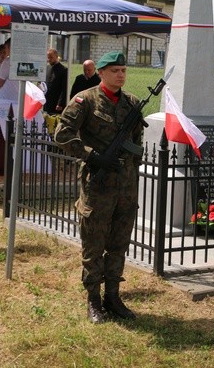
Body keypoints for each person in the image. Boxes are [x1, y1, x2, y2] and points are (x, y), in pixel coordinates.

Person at [54, 51, 142, 324]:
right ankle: (93, 299)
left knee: (118, 243)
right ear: (101, 73)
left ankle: (113, 296)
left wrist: (129, 165)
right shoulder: (85, 100)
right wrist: (92, 156)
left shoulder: (133, 103)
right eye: (115, 70)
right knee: (93, 244)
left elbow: (136, 141)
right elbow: (62, 134)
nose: (121, 75)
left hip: (125, 187)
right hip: (98, 185)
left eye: (124, 70)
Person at [43, 49, 68, 114]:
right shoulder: (47, 68)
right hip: (46, 101)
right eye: (48, 57)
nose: (49, 59)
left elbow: (64, 88)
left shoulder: (63, 70)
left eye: (51, 57)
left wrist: (60, 103)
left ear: (56, 57)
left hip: (56, 102)